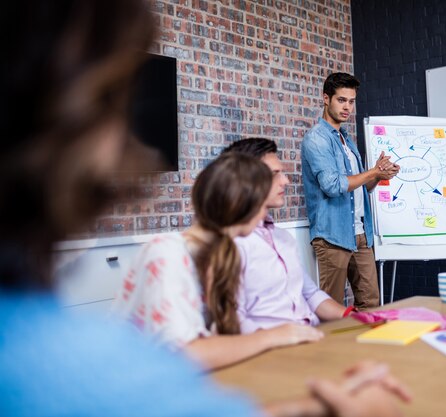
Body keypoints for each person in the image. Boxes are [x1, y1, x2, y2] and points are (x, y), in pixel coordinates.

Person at [1, 1, 413, 415]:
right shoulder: (170, 261)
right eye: (114, 101)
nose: (285, 184)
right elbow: (193, 360)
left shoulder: (279, 237)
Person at [112, 153, 324, 370]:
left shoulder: (223, 253)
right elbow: (184, 355)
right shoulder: (165, 253)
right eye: (262, 200)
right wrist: (273, 336)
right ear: (242, 202)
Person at [222, 138, 347, 333]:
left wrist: (352, 315)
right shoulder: (232, 244)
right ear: (246, 179)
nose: (286, 181)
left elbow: (311, 294)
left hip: (311, 336)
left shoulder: (283, 238)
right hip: (275, 349)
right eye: (275, 174)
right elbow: (234, 320)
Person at [301, 72, 400, 309]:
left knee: (371, 302)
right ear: (326, 99)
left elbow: (361, 188)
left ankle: (364, 347)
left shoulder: (346, 139)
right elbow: (333, 186)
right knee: (331, 309)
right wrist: (372, 171)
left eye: (351, 101)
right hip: (332, 236)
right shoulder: (317, 139)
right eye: (341, 100)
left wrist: (379, 175)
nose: (347, 107)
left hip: (361, 235)